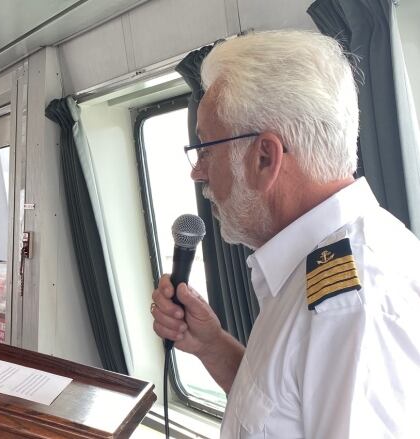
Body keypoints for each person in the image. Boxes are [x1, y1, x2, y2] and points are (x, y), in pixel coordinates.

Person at [150, 30, 420, 438]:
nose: (198, 171)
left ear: (264, 158)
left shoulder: (353, 308)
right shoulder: (313, 265)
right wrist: (211, 345)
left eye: (207, 148)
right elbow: (281, 411)